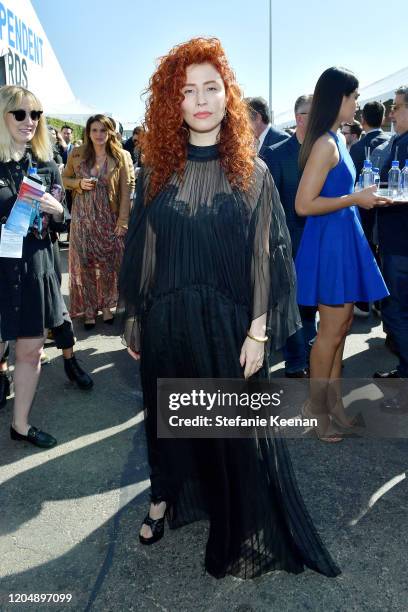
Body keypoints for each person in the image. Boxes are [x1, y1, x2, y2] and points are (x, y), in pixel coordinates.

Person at [119, 37, 340, 580]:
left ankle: (227, 518)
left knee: (224, 429)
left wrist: (259, 331)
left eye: (211, 88)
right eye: (188, 90)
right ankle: (162, 496)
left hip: (226, 326)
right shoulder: (156, 171)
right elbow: (146, 248)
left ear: (228, 97)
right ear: (174, 101)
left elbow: (265, 258)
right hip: (167, 320)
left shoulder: (254, 173)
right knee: (168, 421)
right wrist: (134, 316)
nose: (200, 99)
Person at [295, 67, 391, 442]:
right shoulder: (325, 144)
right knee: (329, 334)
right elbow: (303, 204)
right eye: (353, 96)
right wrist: (355, 198)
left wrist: (360, 198)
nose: (356, 102)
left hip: (342, 239)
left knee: (342, 329)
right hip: (330, 244)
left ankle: (334, 404)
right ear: (339, 98)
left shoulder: (337, 138)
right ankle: (316, 410)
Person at [0, 84, 68, 447]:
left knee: (30, 351)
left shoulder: (46, 165)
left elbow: (62, 220)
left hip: (35, 267)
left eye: (36, 114)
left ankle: (21, 424)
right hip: (0, 271)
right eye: (21, 113)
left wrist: (59, 212)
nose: (30, 121)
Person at [63, 114, 135, 329]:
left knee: (107, 263)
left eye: (103, 130)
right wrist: (78, 183)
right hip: (82, 218)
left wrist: (123, 221)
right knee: (85, 263)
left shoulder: (122, 155)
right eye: (94, 130)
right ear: (88, 132)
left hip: (108, 217)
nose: (99, 135)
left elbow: (127, 190)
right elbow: (64, 179)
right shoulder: (76, 153)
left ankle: (105, 306)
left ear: (111, 132)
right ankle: (89, 308)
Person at [263, 94, 316, 378]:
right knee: (296, 304)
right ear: (299, 118)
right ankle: (297, 361)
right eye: (314, 113)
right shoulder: (275, 153)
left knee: (315, 303)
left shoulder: (325, 149)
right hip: (290, 241)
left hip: (320, 239)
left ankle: (317, 354)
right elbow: (266, 204)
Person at [373, 86, 408, 383]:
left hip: (400, 244)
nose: (392, 113)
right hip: (394, 241)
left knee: (395, 312)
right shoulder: (397, 141)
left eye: (397, 107)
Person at [350, 101, 390, 318]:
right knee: (384, 255)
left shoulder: (356, 148)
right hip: (389, 210)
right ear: (383, 119)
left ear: (363, 119)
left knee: (365, 254)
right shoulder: (392, 141)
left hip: (364, 210)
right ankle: (381, 303)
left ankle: (365, 303)